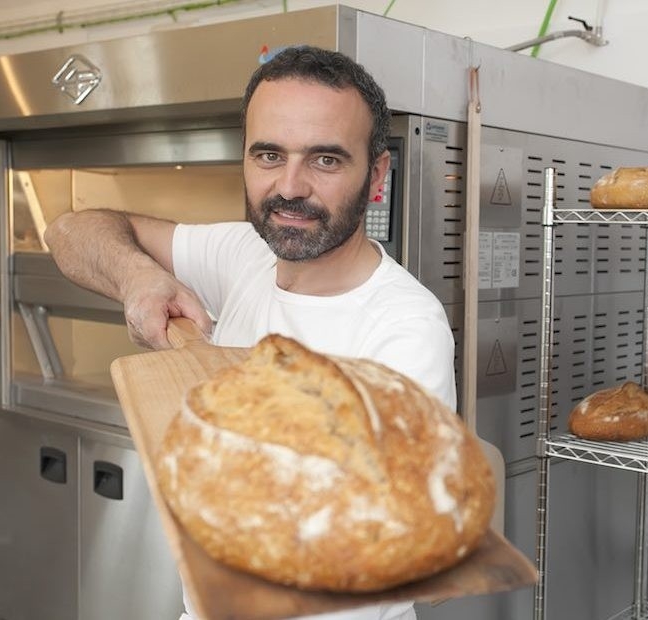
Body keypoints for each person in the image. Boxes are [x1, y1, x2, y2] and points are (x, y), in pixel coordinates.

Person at [45, 45, 456, 620]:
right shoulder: (242, 254)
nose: (290, 187)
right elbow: (71, 231)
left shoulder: (404, 328)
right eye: (268, 154)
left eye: (326, 160)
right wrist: (138, 276)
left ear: (377, 174)